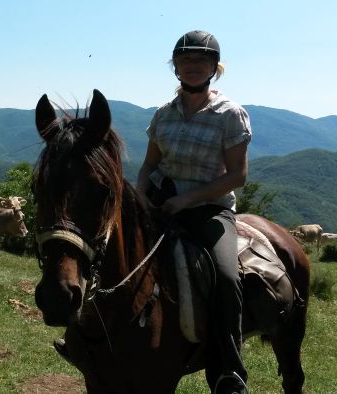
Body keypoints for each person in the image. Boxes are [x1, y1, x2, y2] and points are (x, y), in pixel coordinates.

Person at [135, 30, 251, 394]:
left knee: (226, 276)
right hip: (160, 206)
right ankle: (89, 339)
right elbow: (148, 165)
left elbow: (238, 176)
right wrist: (140, 199)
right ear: (176, 67)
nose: (193, 66)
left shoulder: (229, 114)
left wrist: (186, 200)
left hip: (209, 212)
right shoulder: (163, 115)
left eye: (202, 61)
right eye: (186, 60)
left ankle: (228, 370)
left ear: (215, 68)